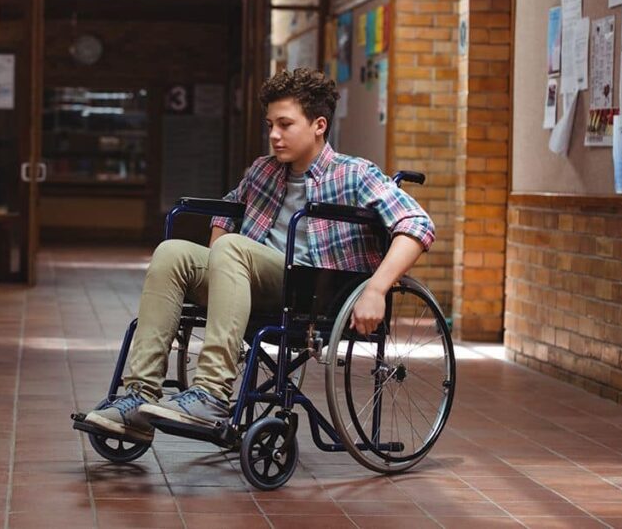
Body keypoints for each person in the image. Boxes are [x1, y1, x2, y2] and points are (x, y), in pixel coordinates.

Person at [83, 67, 435, 442]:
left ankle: (212, 393)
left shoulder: (354, 174)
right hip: (248, 278)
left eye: (285, 124)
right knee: (172, 252)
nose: (273, 135)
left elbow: (417, 224)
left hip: (312, 289)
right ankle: (138, 397)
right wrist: (217, 263)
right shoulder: (263, 171)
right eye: (270, 124)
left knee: (233, 249)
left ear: (318, 125)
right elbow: (226, 209)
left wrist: (376, 290)